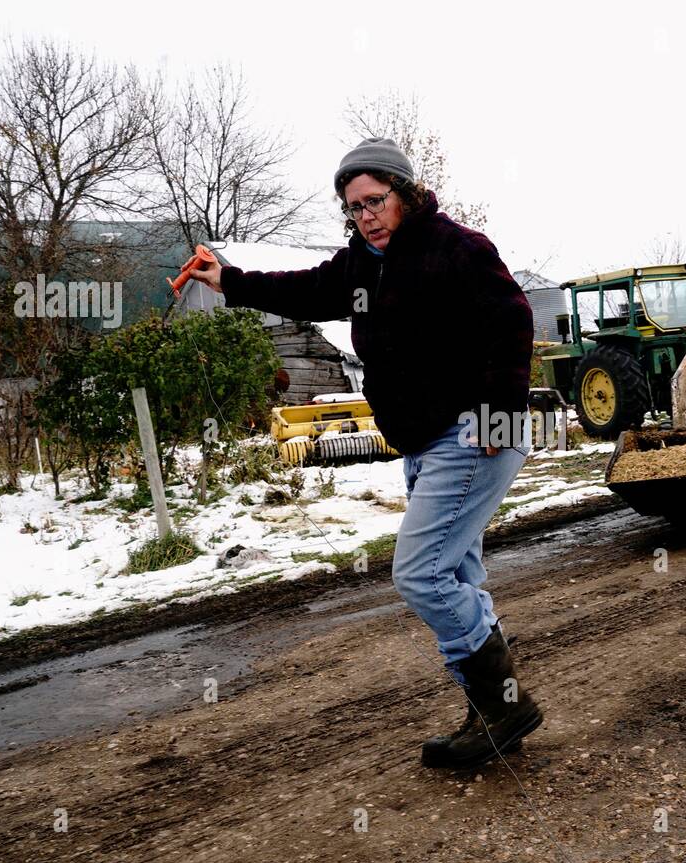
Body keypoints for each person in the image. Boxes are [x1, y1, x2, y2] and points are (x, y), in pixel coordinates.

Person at [187, 137, 542, 769]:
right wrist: (230, 280)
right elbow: (304, 290)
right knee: (454, 576)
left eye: (375, 201)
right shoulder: (363, 265)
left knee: (420, 573)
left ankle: (503, 706)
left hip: (473, 432)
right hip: (425, 441)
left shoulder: (453, 248)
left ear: (403, 193)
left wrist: (503, 409)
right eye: (353, 208)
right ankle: (494, 707)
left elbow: (512, 319)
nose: (365, 216)